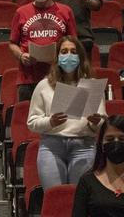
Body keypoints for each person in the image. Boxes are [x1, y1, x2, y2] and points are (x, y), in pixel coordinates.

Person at [27, 36, 104, 187]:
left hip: (84, 146)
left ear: (80, 57)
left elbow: (102, 120)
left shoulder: (91, 85)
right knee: (55, 198)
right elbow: (32, 121)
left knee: (80, 200)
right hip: (52, 147)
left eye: (73, 52)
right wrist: (50, 121)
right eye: (64, 52)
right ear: (57, 57)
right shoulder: (44, 85)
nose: (69, 55)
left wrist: (96, 122)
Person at [9, 0, 78, 101]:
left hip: (59, 76)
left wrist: (63, 55)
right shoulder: (21, 12)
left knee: (59, 117)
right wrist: (21, 55)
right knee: (30, 118)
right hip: (28, 78)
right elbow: (12, 43)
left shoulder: (65, 11)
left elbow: (73, 41)